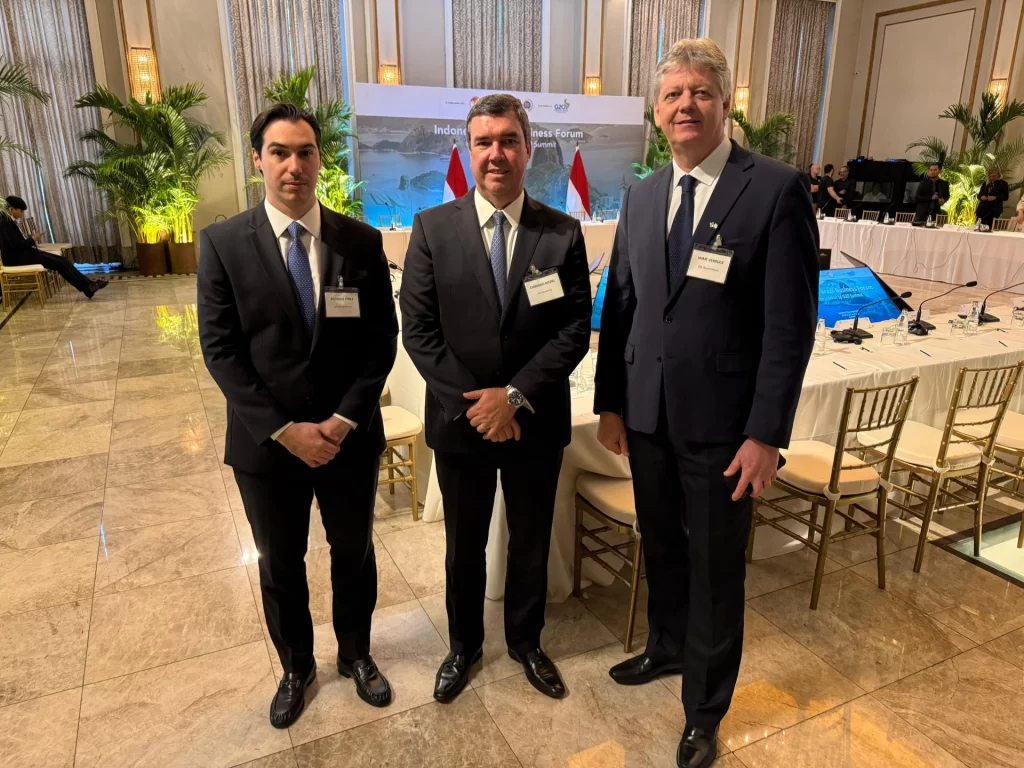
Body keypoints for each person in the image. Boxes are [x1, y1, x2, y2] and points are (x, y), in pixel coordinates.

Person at [593, 38, 818, 768]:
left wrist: (766, 434)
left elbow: (789, 327)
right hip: (648, 419)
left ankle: (704, 710)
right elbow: (621, 306)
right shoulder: (643, 195)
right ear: (658, 113)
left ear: (724, 103)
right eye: (672, 95)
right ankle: (665, 647)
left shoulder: (775, 190)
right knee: (661, 546)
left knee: (717, 570)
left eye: (699, 92)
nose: (685, 105)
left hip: (726, 430)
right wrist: (611, 403)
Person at [197, 103, 398, 729]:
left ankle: (356, 653)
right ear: (258, 160)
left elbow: (380, 342)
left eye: (305, 152)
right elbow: (221, 350)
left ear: (319, 160)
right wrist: (285, 431)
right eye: (280, 152)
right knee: (279, 561)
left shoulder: (359, 242)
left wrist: (342, 422)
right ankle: (296, 666)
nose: (294, 165)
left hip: (347, 440)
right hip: (267, 446)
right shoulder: (224, 244)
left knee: (353, 552)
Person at [400, 93, 591, 705]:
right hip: (462, 425)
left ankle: (527, 643)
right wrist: (478, 406)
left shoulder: (561, 232)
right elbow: (419, 331)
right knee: (464, 546)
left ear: (528, 150)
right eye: (484, 142)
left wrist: (513, 396)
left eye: (509, 140)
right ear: (468, 149)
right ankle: (463, 646)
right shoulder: (432, 229)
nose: (496, 154)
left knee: (530, 541)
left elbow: (573, 329)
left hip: (535, 420)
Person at [0, 196, 107, 298]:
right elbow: (15, 245)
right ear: (11, 209)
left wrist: (31, 237)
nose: (22, 214)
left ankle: (89, 285)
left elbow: (18, 241)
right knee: (59, 263)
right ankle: (87, 288)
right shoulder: (6, 224)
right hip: (17, 258)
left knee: (63, 260)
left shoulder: (10, 222)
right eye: (20, 211)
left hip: (25, 254)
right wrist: (32, 239)